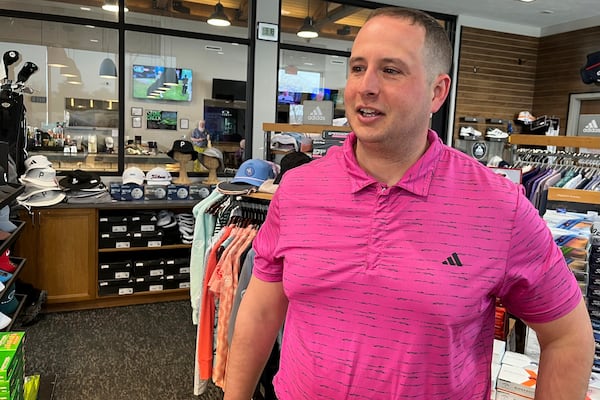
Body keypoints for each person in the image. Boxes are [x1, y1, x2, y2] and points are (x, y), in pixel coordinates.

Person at [224, 6, 594, 400]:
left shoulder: (500, 207)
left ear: (438, 92)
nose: (365, 86)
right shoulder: (297, 190)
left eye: (391, 70)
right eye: (357, 68)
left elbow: (569, 336)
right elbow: (261, 311)